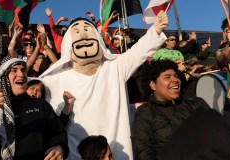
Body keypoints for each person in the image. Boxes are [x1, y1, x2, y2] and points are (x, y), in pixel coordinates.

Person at [39, 11, 169, 159]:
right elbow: (26, 85)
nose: (83, 35)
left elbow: (138, 52)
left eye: (87, 30)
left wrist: (156, 29)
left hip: (116, 152)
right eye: (77, 31)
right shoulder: (55, 78)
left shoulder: (115, 67)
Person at [0, 57, 68, 160]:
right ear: (2, 77)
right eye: (14, 70)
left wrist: (59, 147)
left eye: (23, 70)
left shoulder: (40, 105)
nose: (21, 74)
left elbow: (59, 133)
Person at [131, 59, 211, 160]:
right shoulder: (145, 113)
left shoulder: (197, 104)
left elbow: (217, 136)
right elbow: (142, 152)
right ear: (153, 85)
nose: (175, 80)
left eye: (176, 76)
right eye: (167, 77)